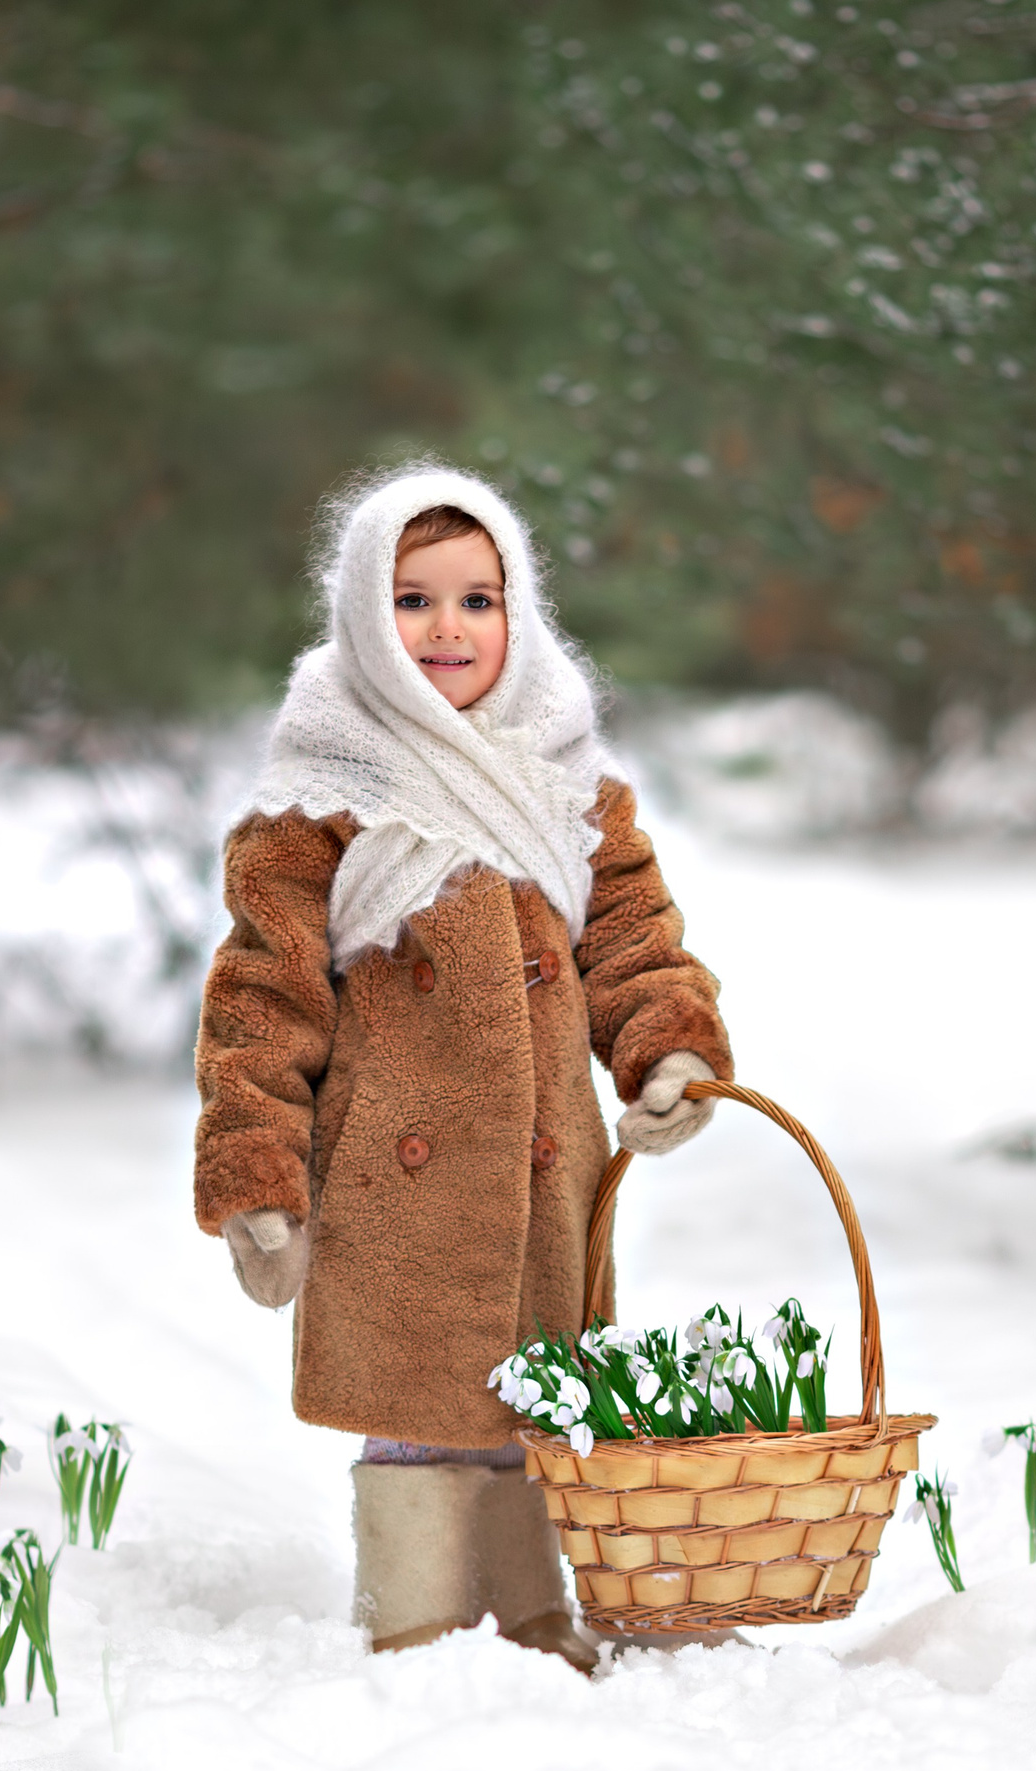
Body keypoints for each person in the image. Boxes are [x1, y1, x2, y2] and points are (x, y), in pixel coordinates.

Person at [191, 463, 732, 1673]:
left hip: (545, 1168)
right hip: (394, 1176)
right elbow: (262, 994)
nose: (447, 628)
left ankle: (536, 1616)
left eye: (477, 599)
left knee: (537, 1402)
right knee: (419, 1412)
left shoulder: (568, 779)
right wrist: (257, 1169)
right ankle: (416, 1622)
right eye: (412, 598)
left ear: (517, 610)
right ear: (361, 616)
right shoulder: (318, 792)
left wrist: (668, 1045)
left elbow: (632, 935)